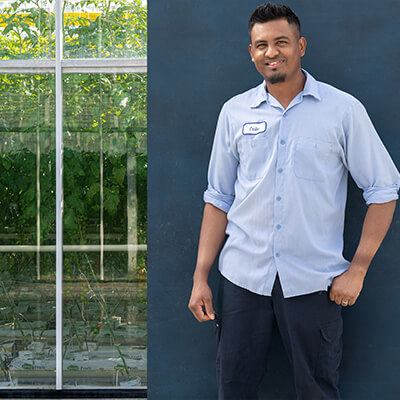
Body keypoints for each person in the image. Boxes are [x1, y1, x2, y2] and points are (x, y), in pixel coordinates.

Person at [188, 3, 400, 400]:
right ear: (251, 53)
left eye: (281, 42)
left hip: (314, 284)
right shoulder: (234, 113)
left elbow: (384, 191)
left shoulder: (343, 111)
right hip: (243, 279)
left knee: (316, 391)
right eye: (261, 45)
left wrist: (359, 269)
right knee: (233, 390)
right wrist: (202, 276)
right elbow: (218, 198)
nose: (272, 52)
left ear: (300, 45)